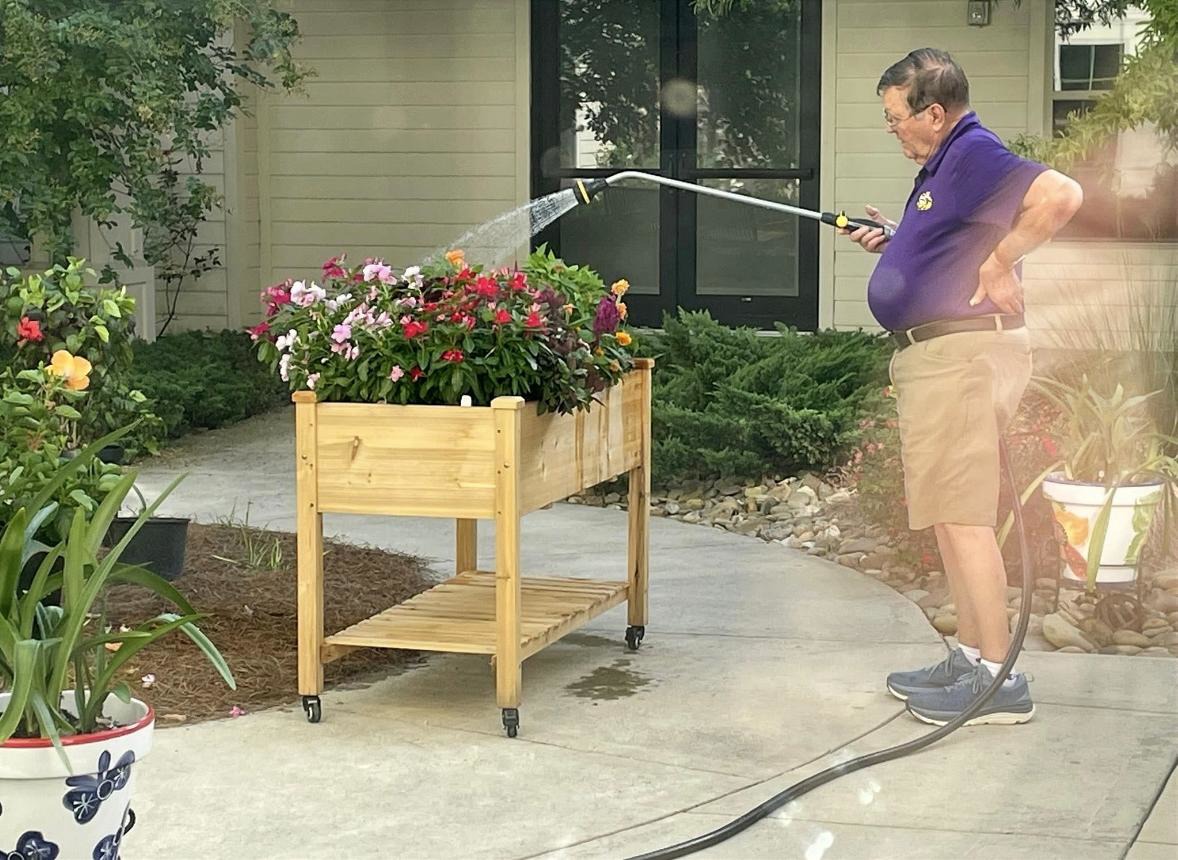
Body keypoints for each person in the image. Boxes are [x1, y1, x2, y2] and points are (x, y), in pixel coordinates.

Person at [842, 48, 1083, 726]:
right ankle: (973, 656)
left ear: (934, 112)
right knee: (950, 511)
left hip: (961, 359)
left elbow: (1062, 195)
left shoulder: (973, 152)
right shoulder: (944, 166)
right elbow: (950, 248)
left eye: (897, 118)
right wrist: (900, 244)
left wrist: (1004, 258)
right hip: (939, 358)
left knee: (965, 514)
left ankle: (997, 680)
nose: (893, 129)